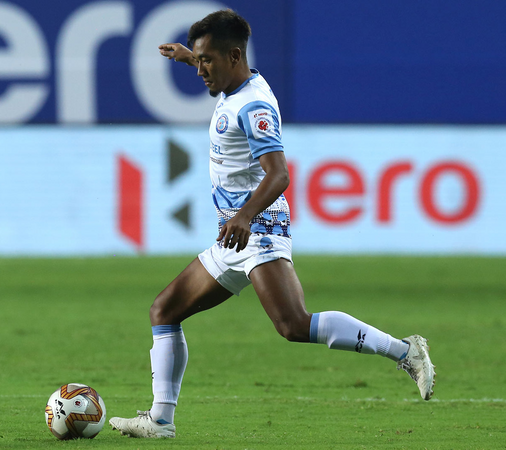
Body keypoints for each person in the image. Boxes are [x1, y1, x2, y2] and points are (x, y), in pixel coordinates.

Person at [109, 9, 435, 439]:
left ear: (234, 56)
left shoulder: (254, 106)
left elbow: (279, 174)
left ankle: (405, 351)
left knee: (294, 324)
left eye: (207, 61)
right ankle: (161, 421)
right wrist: (189, 57)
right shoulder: (235, 83)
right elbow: (218, 71)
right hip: (234, 234)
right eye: (199, 60)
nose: (201, 70)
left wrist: (245, 215)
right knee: (164, 311)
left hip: (257, 228)